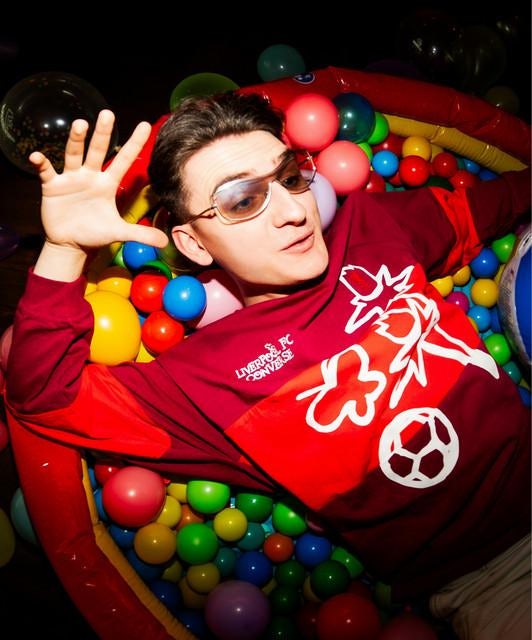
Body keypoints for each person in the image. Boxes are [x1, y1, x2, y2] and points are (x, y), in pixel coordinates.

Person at [4, 92, 531, 640]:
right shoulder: (204, 381)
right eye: (241, 201)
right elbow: (43, 395)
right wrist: (64, 248)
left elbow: (485, 208)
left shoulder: (372, 229)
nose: (295, 211)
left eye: (290, 177)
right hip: (498, 576)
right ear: (193, 244)